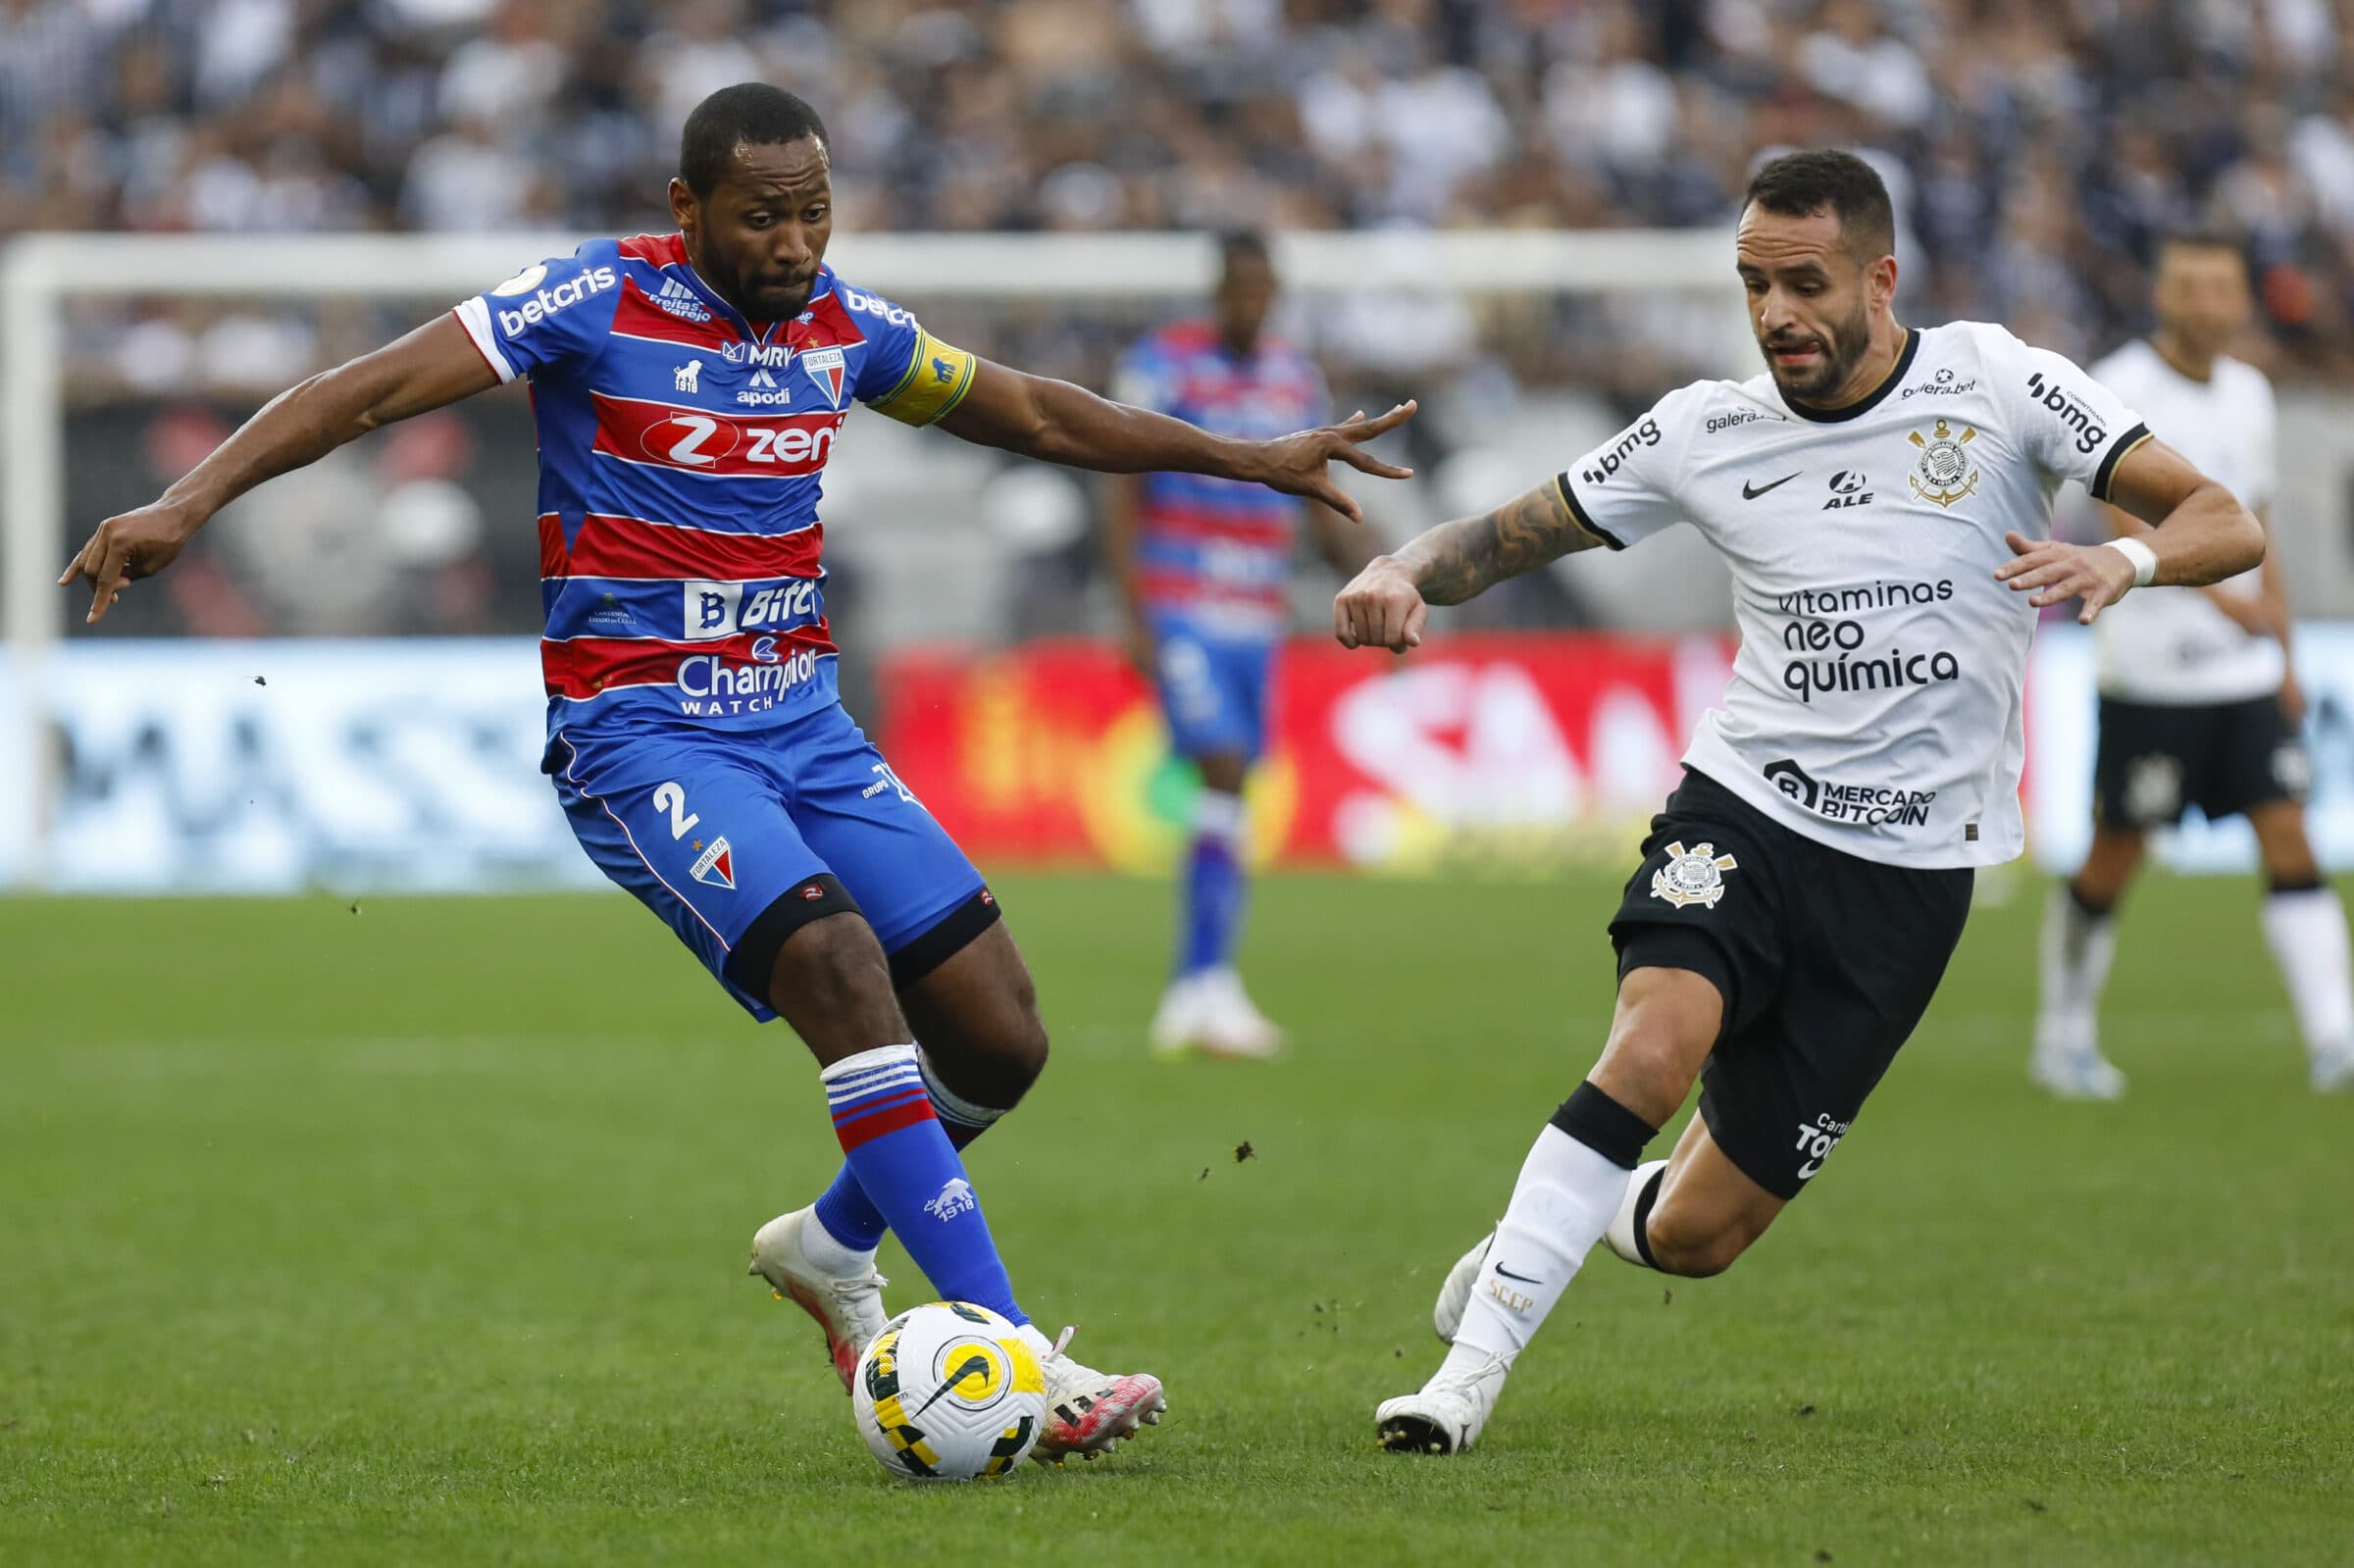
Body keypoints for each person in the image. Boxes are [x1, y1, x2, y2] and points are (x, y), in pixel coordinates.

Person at [59, 84, 1415, 1464]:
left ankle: (830, 1244)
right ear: (687, 210)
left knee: (1002, 1036)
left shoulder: (846, 328)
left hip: (806, 728)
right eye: (765, 212)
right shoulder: (589, 299)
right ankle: (1016, 1354)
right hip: (642, 736)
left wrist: (1243, 457)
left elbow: (1038, 416)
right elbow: (367, 391)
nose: (795, 239)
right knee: (838, 965)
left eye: (815, 209)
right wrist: (189, 497)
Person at [1331, 150, 2265, 1455]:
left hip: (1912, 871)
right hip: (1747, 812)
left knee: (1700, 1234)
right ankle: (1465, 1375)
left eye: (1805, 283)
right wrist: (1405, 562)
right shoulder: (1705, 429)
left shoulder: (1997, 381)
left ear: (1882, 279)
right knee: (1651, 1050)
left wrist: (2125, 552)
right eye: (1755, 283)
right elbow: (1507, 533)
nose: (1776, 312)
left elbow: (2228, 518)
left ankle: (1555, 1218)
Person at [2031, 232, 2354, 1098]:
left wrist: (2279, 643)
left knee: (2287, 832)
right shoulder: (2118, 386)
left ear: (2241, 299)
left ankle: (2336, 1034)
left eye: (2219, 288)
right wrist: (2227, 604)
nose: (2204, 303)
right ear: (2163, 295)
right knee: (2114, 855)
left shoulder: (2251, 392)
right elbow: (2117, 525)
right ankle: (2061, 1032)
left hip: (2243, 675)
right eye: (2188, 286)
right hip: (2152, 671)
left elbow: (2256, 522)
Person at [1105, 231, 1379, 1058]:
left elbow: (1312, 496)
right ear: (1220, 287)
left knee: (1236, 789)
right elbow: (1121, 482)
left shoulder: (1296, 376)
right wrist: (1133, 614)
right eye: (1240, 287)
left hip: (1255, 613)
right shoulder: (1162, 365)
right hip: (1181, 600)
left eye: (1265, 289)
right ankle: (1204, 982)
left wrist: (1379, 572)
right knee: (1222, 765)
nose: (1251, 302)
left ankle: (1201, 986)